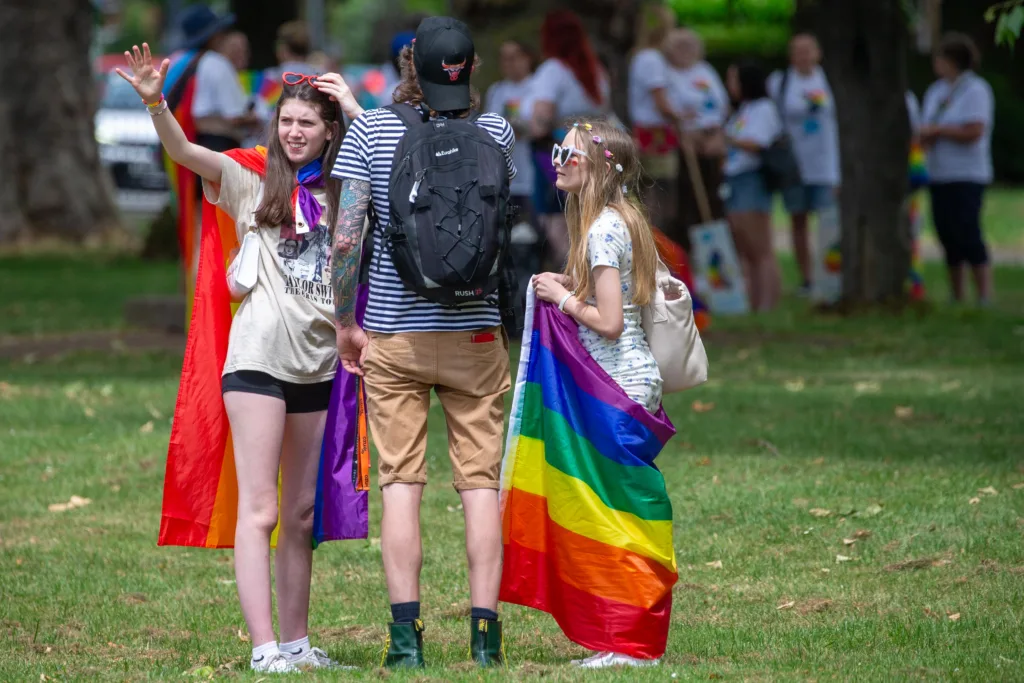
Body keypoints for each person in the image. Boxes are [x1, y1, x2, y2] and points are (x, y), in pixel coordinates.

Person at [116, 44, 365, 674]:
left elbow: (388, 169)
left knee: (302, 513)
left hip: (317, 366)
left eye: (308, 122)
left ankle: (299, 643)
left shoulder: (347, 192)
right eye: (287, 121)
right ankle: (263, 648)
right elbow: (183, 152)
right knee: (263, 507)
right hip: (256, 361)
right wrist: (154, 101)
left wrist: (357, 108)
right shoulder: (251, 178)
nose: (295, 131)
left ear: (329, 130)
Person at [330, 16, 517, 669]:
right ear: (471, 70)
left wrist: (343, 320)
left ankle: (406, 642)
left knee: (401, 482)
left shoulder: (371, 131)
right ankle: (485, 640)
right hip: (476, 331)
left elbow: (348, 236)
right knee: (480, 485)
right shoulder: (495, 131)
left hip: (395, 334)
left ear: (408, 67)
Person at [529, 118, 666, 667]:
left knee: (617, 516)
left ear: (602, 167)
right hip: (624, 381)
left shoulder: (605, 229)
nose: (559, 159)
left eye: (572, 154)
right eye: (559, 149)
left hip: (618, 385)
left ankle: (631, 644)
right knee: (617, 512)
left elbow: (609, 322)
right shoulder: (618, 220)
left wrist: (559, 299)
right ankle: (624, 638)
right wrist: (569, 286)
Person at [528, 10, 611, 268]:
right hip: (592, 151)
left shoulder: (552, 70)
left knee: (556, 222)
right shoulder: (595, 71)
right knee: (586, 218)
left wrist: (523, 128)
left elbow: (541, 120)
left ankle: (573, 279)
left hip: (556, 154)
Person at [921, 32, 994, 305]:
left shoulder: (976, 90)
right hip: (939, 173)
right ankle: (957, 292)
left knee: (968, 231)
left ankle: (984, 292)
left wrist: (939, 130)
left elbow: (975, 129)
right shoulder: (936, 91)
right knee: (946, 232)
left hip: (967, 174)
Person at [767, 33, 840, 295]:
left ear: (818, 53)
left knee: (829, 221)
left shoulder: (830, 80)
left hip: (827, 164)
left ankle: (830, 276)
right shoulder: (781, 82)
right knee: (798, 220)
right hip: (794, 165)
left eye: (808, 50)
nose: (803, 56)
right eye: (797, 50)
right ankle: (807, 278)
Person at [723, 61, 783, 312]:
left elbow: (758, 143)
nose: (729, 86)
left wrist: (727, 139)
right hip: (734, 180)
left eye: (733, 80)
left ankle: (768, 302)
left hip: (752, 178)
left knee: (760, 247)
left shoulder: (764, 109)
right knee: (746, 246)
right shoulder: (742, 110)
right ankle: (754, 301)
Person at [485, 39, 539, 315]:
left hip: (531, 177)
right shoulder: (497, 91)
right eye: (505, 58)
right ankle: (512, 306)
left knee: (534, 241)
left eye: (515, 56)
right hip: (505, 180)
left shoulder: (538, 86)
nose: (510, 64)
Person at [664, 28, 729, 245]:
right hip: (686, 144)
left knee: (714, 197)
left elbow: (723, 105)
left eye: (689, 45)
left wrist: (718, 134)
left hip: (712, 141)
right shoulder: (667, 74)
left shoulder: (706, 71)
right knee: (688, 199)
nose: (685, 51)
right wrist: (688, 137)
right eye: (679, 46)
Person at [627, 5, 681, 239]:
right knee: (659, 194)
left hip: (648, 131)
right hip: (655, 134)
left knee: (653, 192)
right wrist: (682, 118)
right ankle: (653, 243)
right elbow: (661, 101)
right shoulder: (652, 59)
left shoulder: (642, 56)